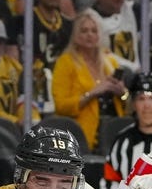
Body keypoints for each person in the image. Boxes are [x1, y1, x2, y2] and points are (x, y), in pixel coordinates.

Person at [51, 9, 127, 151]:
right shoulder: (65, 62)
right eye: (84, 31)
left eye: (94, 30)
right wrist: (92, 93)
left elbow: (126, 103)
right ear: (75, 35)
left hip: (113, 132)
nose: (90, 35)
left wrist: (122, 93)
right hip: (83, 135)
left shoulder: (110, 62)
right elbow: (61, 106)